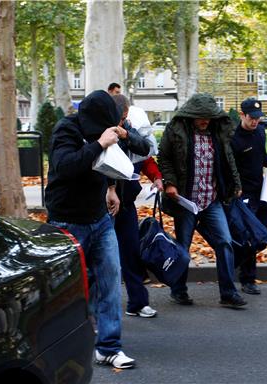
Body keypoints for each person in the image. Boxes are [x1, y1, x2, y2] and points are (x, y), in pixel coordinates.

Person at [45, 90, 136, 369]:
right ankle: (54, 348)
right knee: (65, 289)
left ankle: (108, 347)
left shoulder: (106, 130)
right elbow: (65, 166)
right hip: (67, 221)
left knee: (110, 281)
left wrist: (111, 189)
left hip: (99, 218)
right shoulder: (66, 129)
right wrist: (98, 143)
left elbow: (107, 162)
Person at [158, 93, 247, 308]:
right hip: (186, 201)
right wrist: (169, 183)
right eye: (201, 117)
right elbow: (164, 157)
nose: (205, 120)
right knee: (183, 247)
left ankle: (228, 293)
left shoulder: (218, 132)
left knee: (225, 242)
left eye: (208, 116)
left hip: (212, 200)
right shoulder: (176, 130)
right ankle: (178, 291)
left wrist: (236, 184)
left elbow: (229, 160)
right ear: (191, 116)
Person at [111, 94, 160, 319]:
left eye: (125, 118)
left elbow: (145, 154)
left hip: (127, 203)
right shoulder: (103, 132)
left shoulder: (129, 128)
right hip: (107, 206)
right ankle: (94, 310)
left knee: (132, 252)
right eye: (121, 118)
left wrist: (156, 177)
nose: (123, 121)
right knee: (103, 259)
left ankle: (137, 303)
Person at [231, 99, 267, 295]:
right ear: (242, 115)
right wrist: (235, 187)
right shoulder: (234, 138)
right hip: (243, 194)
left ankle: (231, 262)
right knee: (249, 236)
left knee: (261, 237)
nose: (255, 122)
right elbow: (229, 166)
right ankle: (248, 279)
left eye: (258, 118)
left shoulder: (260, 131)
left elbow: (262, 155)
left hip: (261, 191)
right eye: (252, 118)